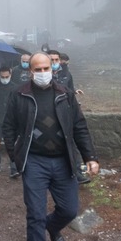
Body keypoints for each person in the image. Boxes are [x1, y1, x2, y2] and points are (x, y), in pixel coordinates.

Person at [2, 53, 99, 241]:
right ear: (30, 71)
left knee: (69, 209)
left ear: (53, 69)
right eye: (38, 69)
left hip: (63, 161)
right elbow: (9, 127)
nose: (43, 72)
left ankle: (53, 226)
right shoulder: (19, 94)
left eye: (47, 67)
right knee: (35, 214)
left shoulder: (65, 94)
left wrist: (90, 157)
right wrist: (16, 156)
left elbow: (79, 126)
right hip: (35, 162)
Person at [48, 50, 90, 184]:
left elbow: (70, 91)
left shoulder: (66, 74)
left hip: (66, 113)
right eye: (51, 60)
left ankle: (78, 172)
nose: (54, 62)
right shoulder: (42, 75)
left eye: (56, 60)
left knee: (71, 143)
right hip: (49, 117)